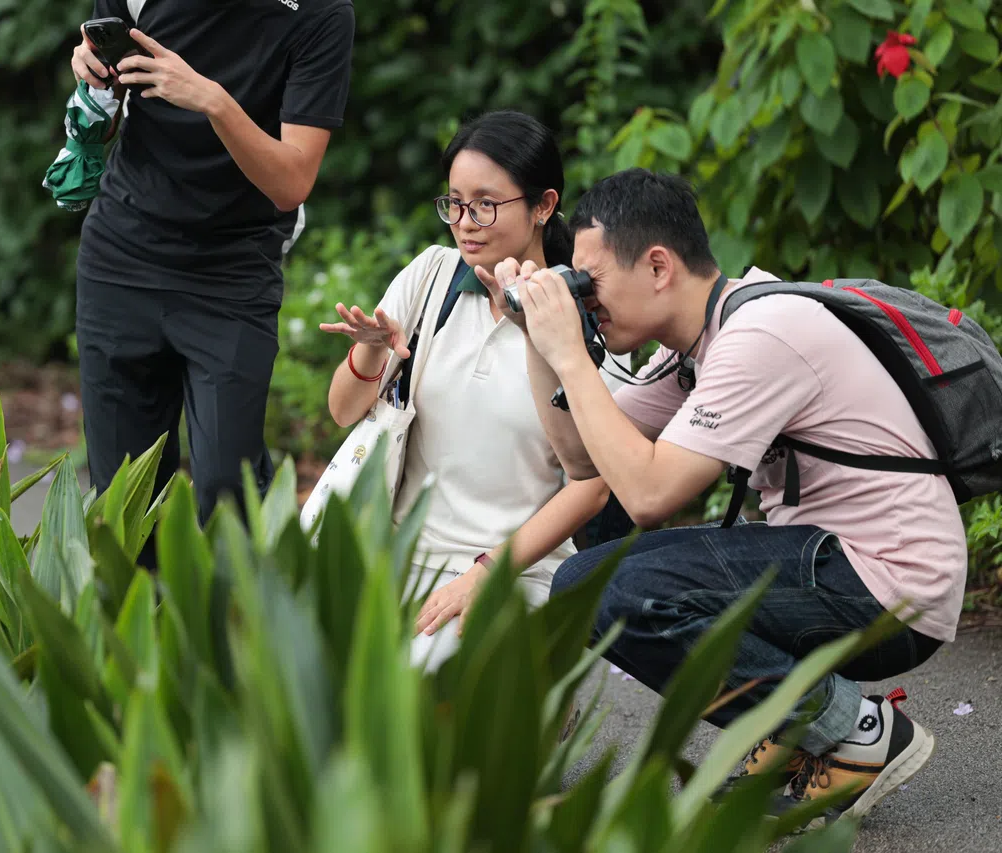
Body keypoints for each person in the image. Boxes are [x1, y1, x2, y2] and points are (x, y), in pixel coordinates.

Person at [476, 167, 963, 824]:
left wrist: (571, 356)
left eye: (590, 281)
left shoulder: (761, 334)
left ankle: (856, 730)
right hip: (838, 567)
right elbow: (585, 461)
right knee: (591, 568)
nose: (584, 300)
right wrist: (539, 340)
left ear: (657, 266)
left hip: (892, 589)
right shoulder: (699, 343)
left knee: (614, 588)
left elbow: (649, 494)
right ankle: (802, 733)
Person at [319, 110, 626, 672]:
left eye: (486, 203)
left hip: (516, 570)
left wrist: (485, 573)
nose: (466, 221)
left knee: (421, 696)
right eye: (454, 203)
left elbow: (593, 486)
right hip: (396, 551)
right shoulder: (432, 276)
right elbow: (343, 412)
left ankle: (541, 700)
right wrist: (369, 348)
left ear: (543, 206)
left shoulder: (585, 317)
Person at [69, 0, 356, 566]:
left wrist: (212, 100)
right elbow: (109, 100)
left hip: (232, 267)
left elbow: (292, 181)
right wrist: (91, 70)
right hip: (121, 256)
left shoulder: (321, 13)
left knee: (229, 481)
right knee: (124, 498)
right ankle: (140, 643)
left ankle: (239, 639)